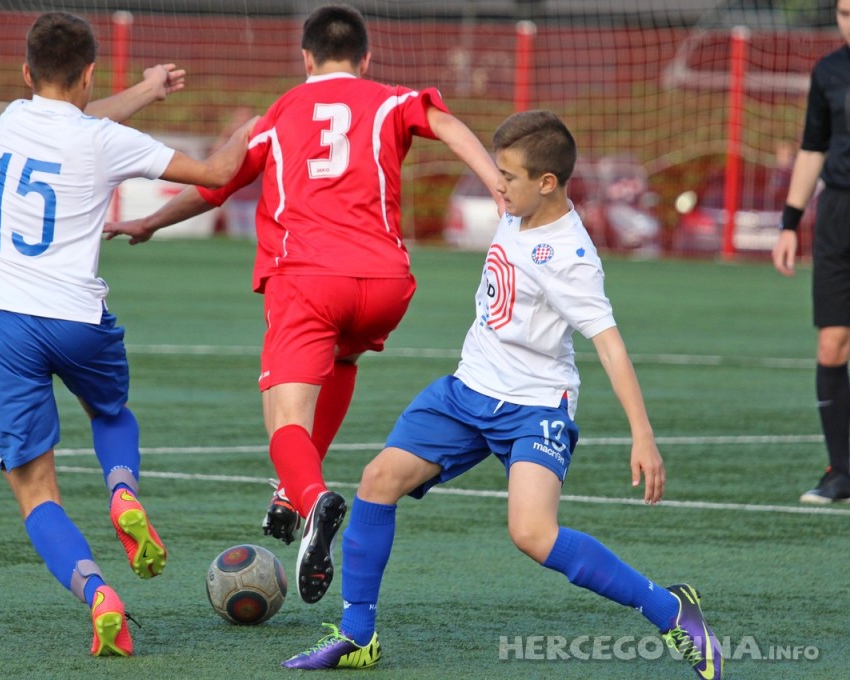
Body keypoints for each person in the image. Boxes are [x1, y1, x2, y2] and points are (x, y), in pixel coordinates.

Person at [280, 110, 724, 680]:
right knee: (377, 480)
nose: (497, 186)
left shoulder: (572, 258)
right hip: (467, 391)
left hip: (535, 407)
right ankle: (357, 635)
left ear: (546, 183)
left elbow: (610, 347)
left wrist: (643, 436)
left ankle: (671, 610)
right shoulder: (519, 202)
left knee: (532, 534)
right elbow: (474, 151)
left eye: (507, 177)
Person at [102, 3, 503, 606]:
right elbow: (442, 122)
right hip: (386, 284)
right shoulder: (391, 99)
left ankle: (312, 501)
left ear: (306, 58)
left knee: (283, 418)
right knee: (341, 363)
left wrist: (153, 220)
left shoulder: (281, 112)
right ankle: (291, 494)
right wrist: (497, 181)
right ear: (365, 59)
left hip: (310, 280)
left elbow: (219, 183)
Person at [0, 11, 252, 657]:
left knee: (37, 493)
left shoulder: (12, 117)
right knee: (110, 410)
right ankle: (122, 490)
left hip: (2, 319)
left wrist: (148, 88)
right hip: (77, 320)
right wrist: (258, 127)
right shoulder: (104, 141)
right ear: (91, 72)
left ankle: (99, 594)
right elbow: (215, 173)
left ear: (26, 72)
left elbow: (78, 114)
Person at [772, 0, 850, 504]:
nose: (849, 20)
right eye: (843, 12)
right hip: (839, 216)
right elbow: (813, 148)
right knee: (831, 346)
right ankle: (842, 471)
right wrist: (789, 223)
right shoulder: (829, 71)